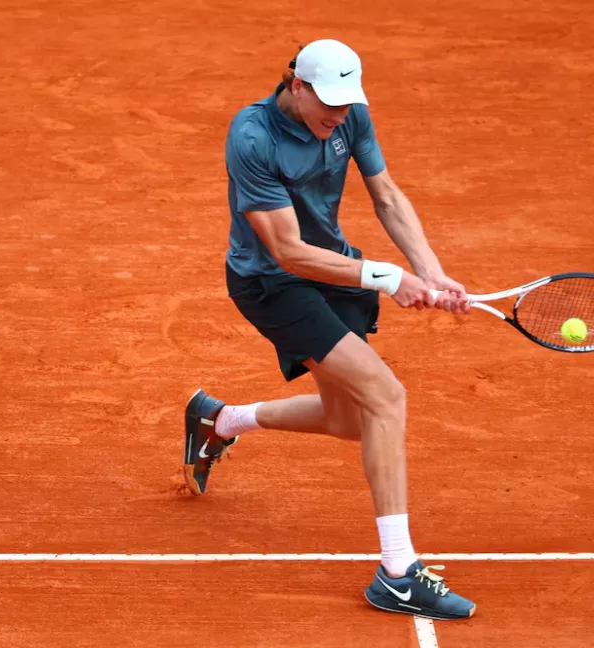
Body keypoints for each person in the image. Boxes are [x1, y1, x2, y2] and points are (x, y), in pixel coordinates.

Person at [183, 38, 476, 620]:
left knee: (349, 419)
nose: (339, 116)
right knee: (386, 398)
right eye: (329, 103)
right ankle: (397, 573)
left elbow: (387, 195)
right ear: (297, 85)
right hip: (273, 283)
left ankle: (220, 419)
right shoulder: (252, 137)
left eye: (347, 105)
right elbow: (288, 251)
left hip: (335, 273)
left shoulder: (351, 115)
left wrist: (431, 271)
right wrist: (388, 277)